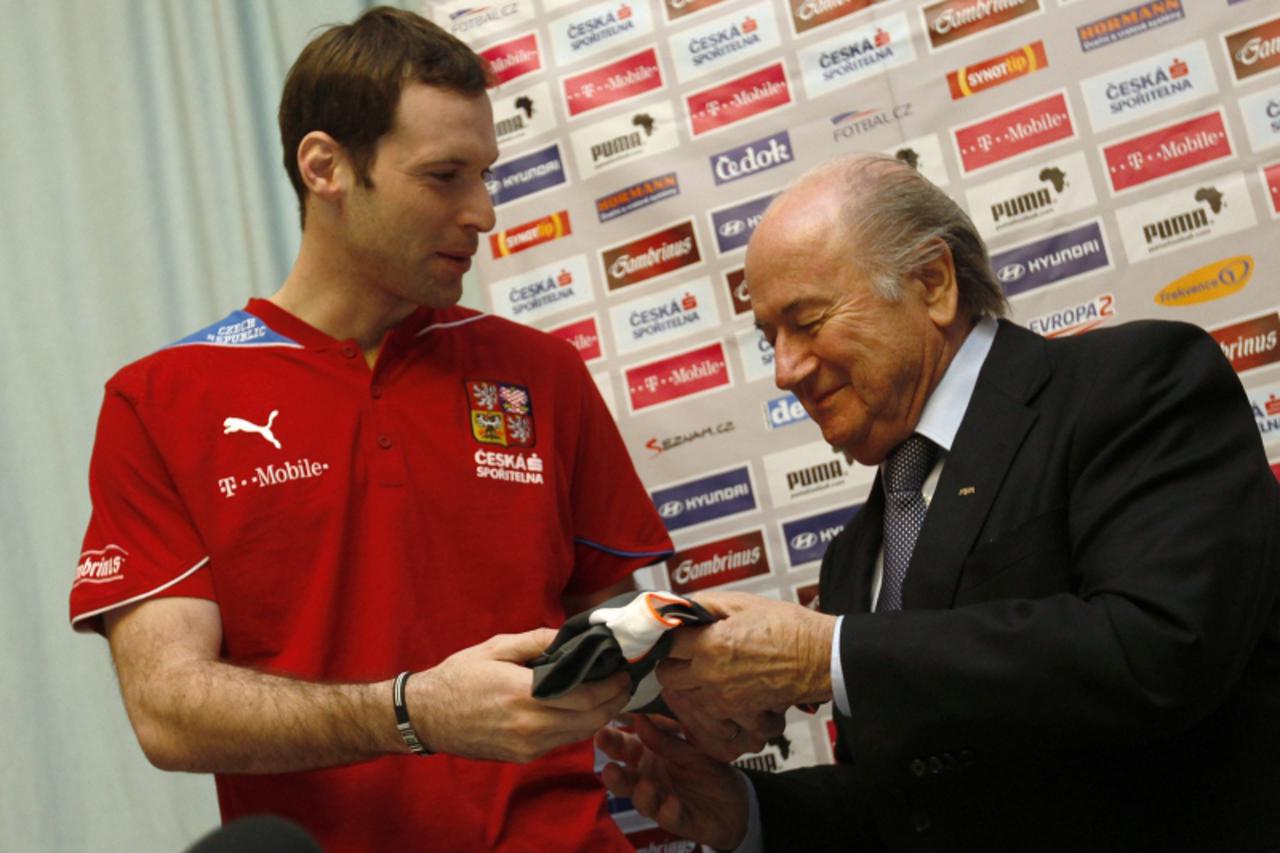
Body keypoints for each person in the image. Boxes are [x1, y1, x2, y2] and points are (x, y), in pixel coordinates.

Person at [69, 8, 673, 850]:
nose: (485, 214)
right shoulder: (162, 400)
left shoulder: (542, 373)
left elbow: (625, 621)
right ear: (326, 168)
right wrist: (412, 712)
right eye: (444, 177)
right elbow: (168, 708)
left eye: (486, 174)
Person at [596, 153, 1280, 852]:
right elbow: (903, 805)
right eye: (770, 337)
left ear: (932, 282)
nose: (785, 369)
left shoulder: (1136, 385)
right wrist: (747, 812)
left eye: (807, 320)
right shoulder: (856, 552)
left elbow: (1162, 649)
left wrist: (826, 655)